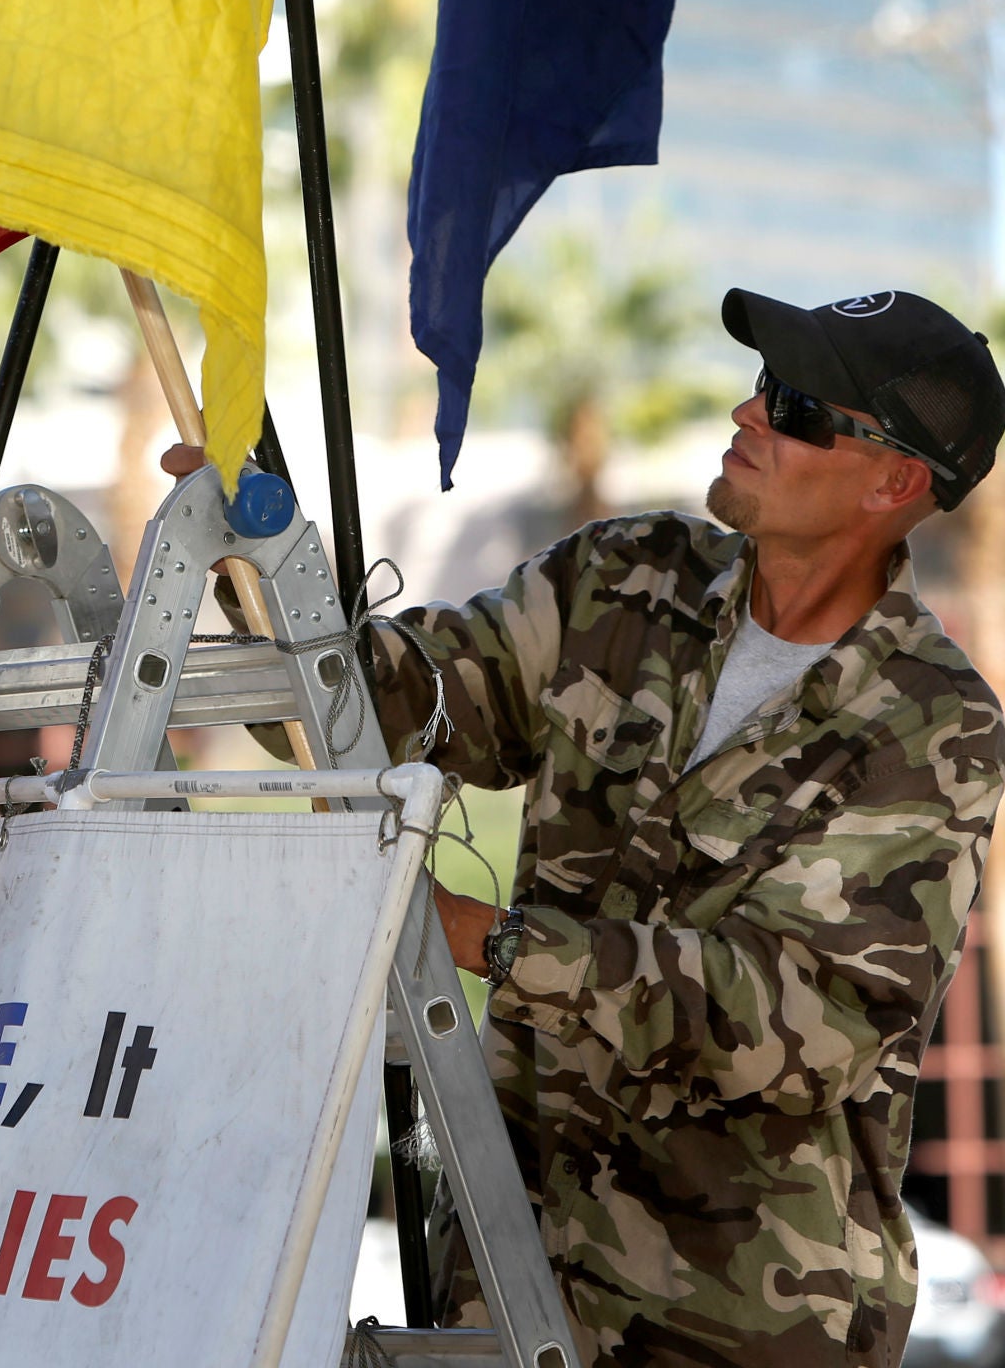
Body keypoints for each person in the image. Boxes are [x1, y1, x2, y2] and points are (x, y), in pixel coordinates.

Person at [370, 289, 1005, 1368]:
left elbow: (792, 1023)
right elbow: (407, 704)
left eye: (798, 408)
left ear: (895, 483)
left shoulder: (931, 723)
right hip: (505, 1294)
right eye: (764, 387)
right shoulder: (621, 583)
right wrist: (262, 585)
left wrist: (487, 941)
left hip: (736, 1329)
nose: (748, 413)